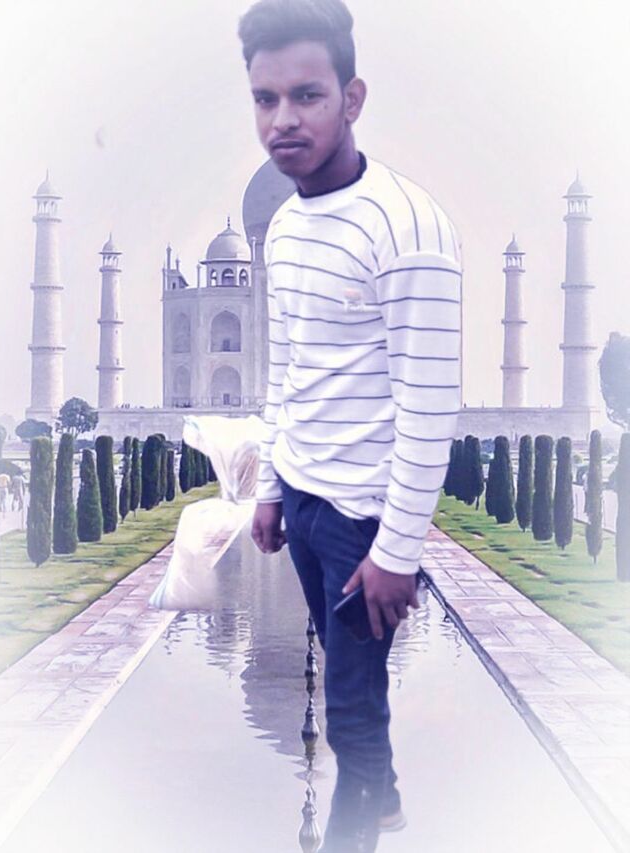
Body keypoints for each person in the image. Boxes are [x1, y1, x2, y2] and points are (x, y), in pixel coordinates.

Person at [239, 1, 462, 849]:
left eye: (307, 95)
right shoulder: (287, 227)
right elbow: (289, 372)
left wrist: (396, 552)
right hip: (305, 502)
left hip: (364, 519)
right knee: (353, 690)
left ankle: (360, 827)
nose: (283, 120)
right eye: (266, 99)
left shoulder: (408, 228)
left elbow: (429, 406)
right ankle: (390, 800)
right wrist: (272, 487)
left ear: (352, 97)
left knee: (351, 717)